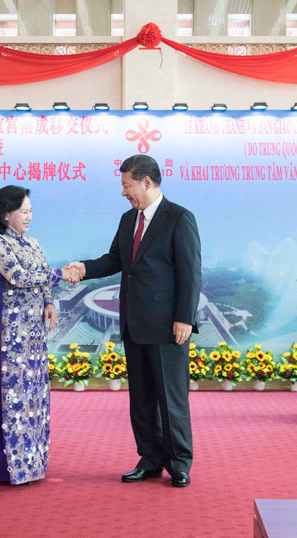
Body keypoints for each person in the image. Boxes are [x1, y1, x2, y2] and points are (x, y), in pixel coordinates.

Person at [68, 155, 202, 488]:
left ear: (147, 182)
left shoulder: (179, 217)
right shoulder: (128, 219)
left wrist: (184, 318)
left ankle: (179, 463)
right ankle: (150, 458)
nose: (123, 192)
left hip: (168, 326)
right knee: (141, 400)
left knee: (170, 399)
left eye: (126, 185)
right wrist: (84, 268)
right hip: (134, 323)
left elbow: (190, 273)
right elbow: (115, 259)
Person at [0, 185, 80, 485]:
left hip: (34, 329)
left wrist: (49, 302)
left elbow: (42, 277)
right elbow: (19, 277)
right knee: (13, 391)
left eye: (31, 211)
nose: (29, 217)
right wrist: (62, 274)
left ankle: (33, 462)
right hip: (10, 327)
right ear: (5, 213)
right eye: (24, 211)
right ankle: (11, 464)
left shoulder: (33, 243)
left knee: (34, 393)